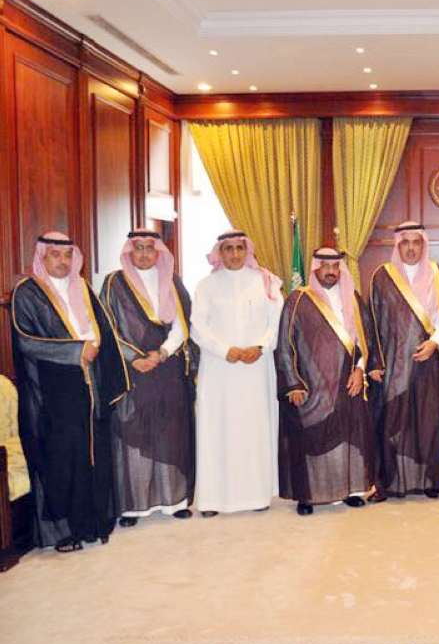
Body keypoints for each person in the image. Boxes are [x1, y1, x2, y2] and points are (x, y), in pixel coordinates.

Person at [11, 232, 127, 552]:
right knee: (65, 456)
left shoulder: (84, 288)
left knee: (94, 452)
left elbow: (103, 331)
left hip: (91, 382)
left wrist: (96, 354)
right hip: (54, 389)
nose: (62, 261)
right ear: (42, 257)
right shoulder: (28, 291)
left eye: (67, 255)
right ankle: (68, 530)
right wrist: (76, 351)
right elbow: (26, 341)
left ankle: (95, 522)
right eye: (55, 255)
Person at [101, 229, 197, 527]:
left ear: (159, 252)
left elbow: (182, 325)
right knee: (134, 435)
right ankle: (134, 507)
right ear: (129, 252)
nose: (143, 254)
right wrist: (135, 357)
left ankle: (174, 501)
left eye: (149, 248)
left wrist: (163, 353)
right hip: (132, 370)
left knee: (171, 434)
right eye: (138, 248)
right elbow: (108, 327)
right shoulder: (114, 283)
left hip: (167, 368)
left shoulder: (172, 281)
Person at [275, 247, 376, 515]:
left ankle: (350, 490)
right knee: (312, 437)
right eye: (325, 266)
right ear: (315, 269)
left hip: (348, 381)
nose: (331, 272)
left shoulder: (353, 298)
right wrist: (293, 383)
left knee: (349, 435)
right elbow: (285, 344)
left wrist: (360, 370)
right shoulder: (298, 299)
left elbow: (365, 341)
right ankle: (307, 495)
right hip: (312, 384)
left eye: (335, 267)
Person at [190, 231, 283, 516]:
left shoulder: (265, 282)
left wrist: (261, 346)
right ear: (220, 252)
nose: (234, 254)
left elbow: (276, 322)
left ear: (247, 250)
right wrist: (224, 350)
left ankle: (257, 495)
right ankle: (213, 500)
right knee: (217, 429)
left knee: (254, 430)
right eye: (228, 248)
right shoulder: (206, 286)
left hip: (256, 369)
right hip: (218, 370)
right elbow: (197, 327)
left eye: (239, 248)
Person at [368, 222, 439, 502]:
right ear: (398, 245)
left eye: (416, 242)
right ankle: (387, 485)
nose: (410, 248)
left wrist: (435, 342)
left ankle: (430, 482)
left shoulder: (436, 273)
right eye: (405, 242)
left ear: (423, 245)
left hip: (426, 363)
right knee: (391, 423)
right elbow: (372, 322)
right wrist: (375, 362)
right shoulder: (382, 276)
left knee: (428, 423)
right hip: (393, 365)